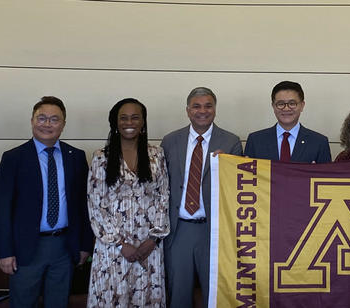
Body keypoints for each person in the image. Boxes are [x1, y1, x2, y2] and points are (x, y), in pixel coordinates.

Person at [0, 96, 93, 308]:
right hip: (25, 248)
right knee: (23, 303)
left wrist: (85, 245)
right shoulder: (13, 158)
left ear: (63, 124)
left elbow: (84, 206)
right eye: (42, 118)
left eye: (54, 119)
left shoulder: (75, 157)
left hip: (64, 247)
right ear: (32, 121)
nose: (47, 124)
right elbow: (1, 209)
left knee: (58, 303)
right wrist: (5, 251)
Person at [160, 87, 243, 307]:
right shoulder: (170, 141)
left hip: (213, 231)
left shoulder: (231, 142)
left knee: (214, 295)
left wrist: (229, 166)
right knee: (178, 295)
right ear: (188, 110)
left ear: (215, 109)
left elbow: (239, 188)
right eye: (196, 106)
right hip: (179, 230)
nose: (202, 111)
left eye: (208, 106)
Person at [87, 98, 171, 306]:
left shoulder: (156, 155)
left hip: (148, 248)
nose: (129, 122)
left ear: (143, 122)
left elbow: (163, 196)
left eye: (135, 117)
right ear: (115, 123)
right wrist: (120, 244)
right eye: (123, 118)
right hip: (113, 249)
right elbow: (96, 205)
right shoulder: (101, 158)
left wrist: (154, 239)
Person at [243, 81, 331, 163]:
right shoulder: (255, 140)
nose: (286, 108)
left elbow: (325, 177)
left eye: (292, 103)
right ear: (273, 106)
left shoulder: (319, 142)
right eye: (280, 104)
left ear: (302, 105)